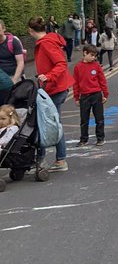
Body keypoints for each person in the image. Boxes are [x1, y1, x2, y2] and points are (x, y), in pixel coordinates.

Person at [27, 17, 74, 171]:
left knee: (48, 124)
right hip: (54, 88)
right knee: (51, 123)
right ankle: (54, 160)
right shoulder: (48, 40)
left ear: (30, 31)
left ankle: (55, 160)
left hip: (54, 88)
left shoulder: (46, 43)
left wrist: (48, 76)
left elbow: (61, 63)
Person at [73, 44, 109, 146]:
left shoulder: (96, 65)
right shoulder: (78, 67)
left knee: (99, 118)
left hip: (96, 95)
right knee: (84, 119)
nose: (94, 58)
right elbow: (75, 83)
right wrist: (76, 97)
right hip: (84, 96)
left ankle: (100, 138)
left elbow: (102, 80)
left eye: (95, 56)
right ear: (85, 53)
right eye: (92, 55)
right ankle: (83, 139)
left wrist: (105, 94)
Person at [0, 20, 25, 101]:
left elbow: (20, 62)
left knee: (15, 103)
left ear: (4, 29)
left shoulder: (13, 41)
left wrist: (14, 80)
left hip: (14, 76)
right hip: (2, 79)